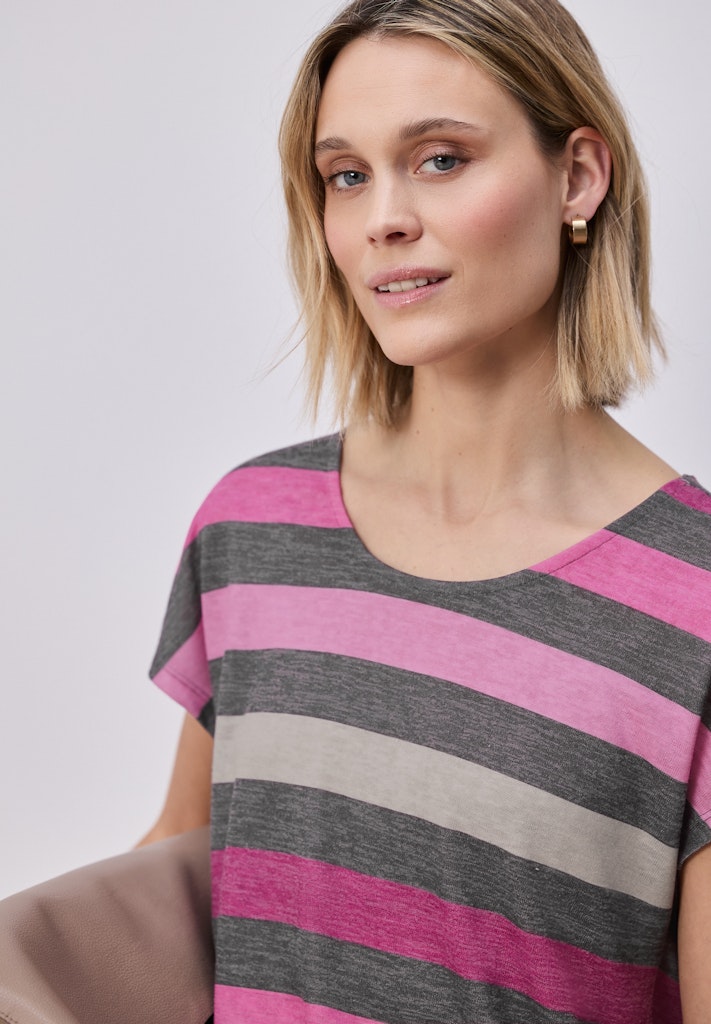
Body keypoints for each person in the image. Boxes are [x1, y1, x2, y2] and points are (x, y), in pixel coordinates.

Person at [140, 0, 711, 1020]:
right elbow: (169, 907)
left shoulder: (696, 600)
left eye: (441, 159)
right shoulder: (252, 530)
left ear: (578, 177)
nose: (382, 219)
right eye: (346, 175)